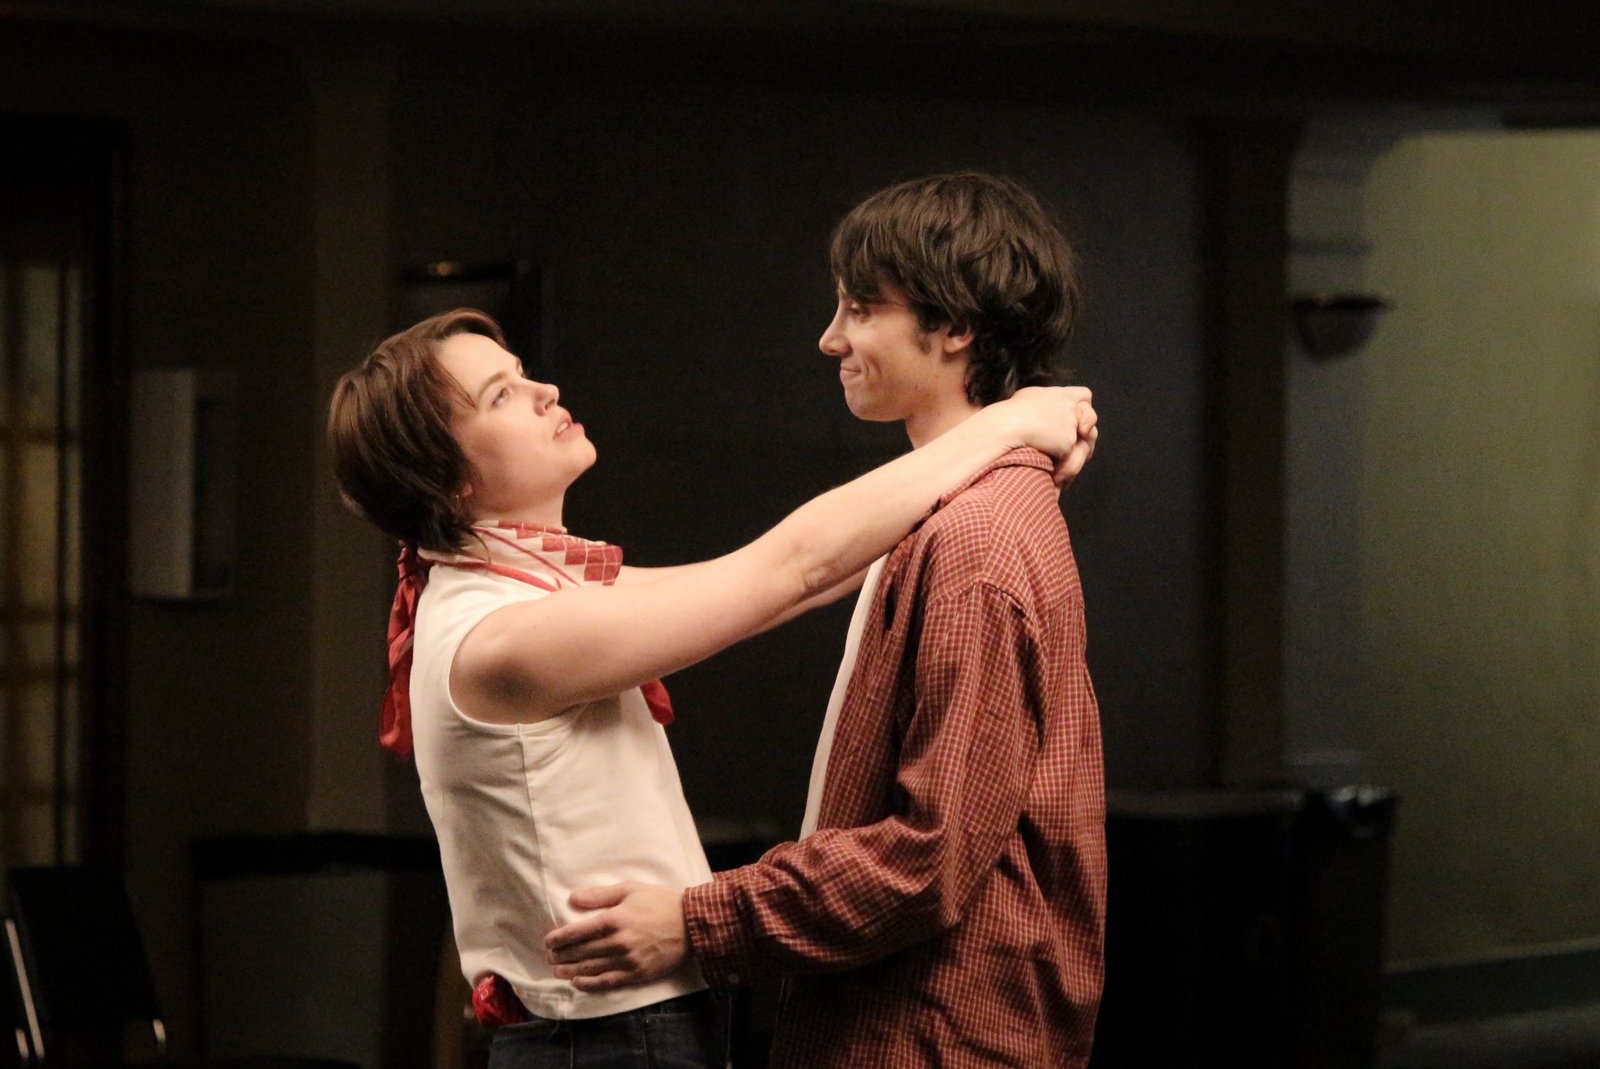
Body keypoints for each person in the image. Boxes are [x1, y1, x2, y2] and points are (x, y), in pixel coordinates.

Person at [326, 305, 1098, 1069]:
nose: (545, 391)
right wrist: (1009, 425)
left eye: (523, 374)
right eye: (501, 395)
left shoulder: (518, 594)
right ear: (450, 479)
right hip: (604, 1043)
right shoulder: (502, 637)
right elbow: (789, 568)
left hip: (625, 1032)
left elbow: (799, 583)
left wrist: (1003, 455)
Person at [545, 171, 1107, 1067]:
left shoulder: (976, 540)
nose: (830, 337)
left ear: (956, 326)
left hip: (929, 1038)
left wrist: (696, 921)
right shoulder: (948, 511)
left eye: (861, 307)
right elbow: (779, 577)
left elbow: (929, 858)